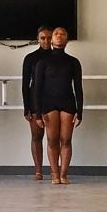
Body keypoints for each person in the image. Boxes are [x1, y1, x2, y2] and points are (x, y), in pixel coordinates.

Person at [34, 27, 83, 184]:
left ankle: (64, 173)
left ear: (67, 39)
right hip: (49, 104)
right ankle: (54, 173)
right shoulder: (43, 62)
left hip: (67, 103)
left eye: (63, 34)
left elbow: (78, 87)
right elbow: (37, 88)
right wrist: (37, 112)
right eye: (56, 34)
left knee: (66, 139)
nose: (59, 36)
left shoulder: (73, 62)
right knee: (52, 140)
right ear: (51, 39)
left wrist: (80, 111)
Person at [21, 25, 53, 180]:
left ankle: (56, 170)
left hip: (54, 100)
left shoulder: (57, 57)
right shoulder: (30, 58)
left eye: (48, 37)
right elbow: (25, 84)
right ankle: (38, 170)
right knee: (36, 136)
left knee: (54, 138)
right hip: (35, 101)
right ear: (38, 39)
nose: (46, 41)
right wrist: (27, 106)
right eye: (42, 38)